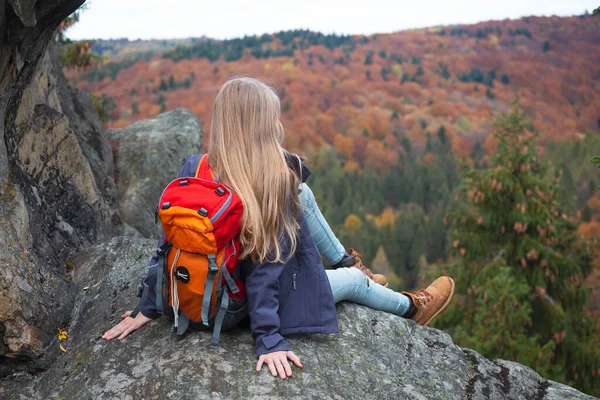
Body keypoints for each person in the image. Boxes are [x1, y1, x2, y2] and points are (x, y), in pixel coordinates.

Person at [103, 77, 455, 381]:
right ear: (262, 126)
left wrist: (151, 304)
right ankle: (413, 307)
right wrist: (268, 338)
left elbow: (169, 244)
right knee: (356, 285)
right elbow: (265, 273)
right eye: (273, 118)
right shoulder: (274, 182)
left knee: (304, 193)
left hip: (195, 297)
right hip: (240, 307)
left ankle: (347, 261)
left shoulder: (196, 168)